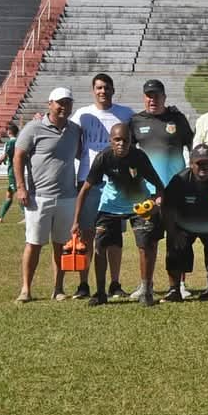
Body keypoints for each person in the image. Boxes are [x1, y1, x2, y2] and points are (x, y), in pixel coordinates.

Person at [71, 124, 165, 307]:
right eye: (117, 140)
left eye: (126, 140)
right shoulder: (103, 158)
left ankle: (146, 291)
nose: (122, 144)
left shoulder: (139, 157)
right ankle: (100, 293)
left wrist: (156, 203)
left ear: (131, 141)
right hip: (110, 207)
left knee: (145, 246)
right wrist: (75, 221)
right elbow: (85, 190)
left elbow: (159, 186)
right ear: (110, 141)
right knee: (99, 247)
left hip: (138, 206)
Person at [13, 88, 82, 302]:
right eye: (60, 102)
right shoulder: (33, 128)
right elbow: (18, 157)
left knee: (60, 245)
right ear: (49, 104)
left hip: (67, 196)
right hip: (38, 197)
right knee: (33, 243)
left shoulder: (75, 130)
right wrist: (21, 187)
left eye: (68, 103)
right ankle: (26, 289)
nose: (64, 107)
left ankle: (58, 288)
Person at [129, 78, 195, 299]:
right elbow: (128, 155)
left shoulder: (177, 119)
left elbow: (192, 148)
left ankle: (179, 285)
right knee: (146, 241)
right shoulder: (136, 121)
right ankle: (145, 284)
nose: (152, 99)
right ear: (144, 98)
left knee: (177, 239)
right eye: (148, 95)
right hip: (147, 193)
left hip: (175, 190)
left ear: (164, 98)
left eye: (157, 95)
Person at [71, 73, 134, 301]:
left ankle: (115, 283)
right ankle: (83, 284)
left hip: (116, 183)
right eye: (98, 87)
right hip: (89, 179)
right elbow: (76, 144)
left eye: (106, 87)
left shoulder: (125, 113)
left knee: (115, 236)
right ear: (92, 90)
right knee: (87, 233)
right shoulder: (83, 114)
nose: (103, 91)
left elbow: (133, 142)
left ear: (113, 90)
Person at [160, 144, 208, 303]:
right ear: (191, 164)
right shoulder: (180, 180)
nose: (204, 167)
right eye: (199, 163)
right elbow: (167, 207)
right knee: (174, 246)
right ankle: (174, 290)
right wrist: (173, 232)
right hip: (184, 225)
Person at [0, 123, 20, 223]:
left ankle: (26, 217)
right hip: (17, 170)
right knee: (9, 194)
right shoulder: (19, 142)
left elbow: (3, 157)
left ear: (9, 132)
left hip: (13, 171)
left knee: (18, 192)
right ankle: (0, 216)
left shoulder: (9, 143)